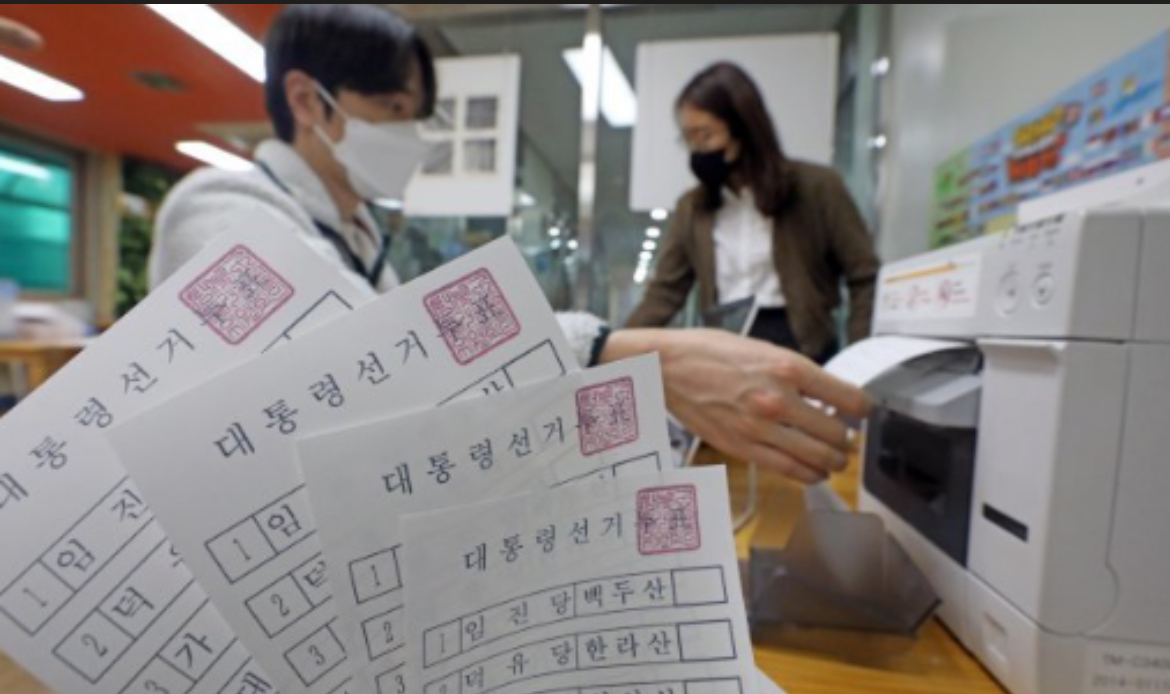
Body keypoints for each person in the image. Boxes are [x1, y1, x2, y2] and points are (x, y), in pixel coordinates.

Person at [150, 4, 869, 485]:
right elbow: (355, 376)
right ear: (309, 101)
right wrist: (619, 350)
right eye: (394, 109)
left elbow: (421, 366)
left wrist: (631, 355)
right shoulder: (220, 210)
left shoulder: (364, 242)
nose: (412, 136)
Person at [626, 62, 879, 365]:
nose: (697, 150)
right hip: (725, 353)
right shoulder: (693, 208)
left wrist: (859, 359)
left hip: (802, 348)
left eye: (705, 135)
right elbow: (665, 292)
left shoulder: (817, 188)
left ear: (743, 128)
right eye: (688, 139)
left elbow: (864, 277)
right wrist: (611, 351)